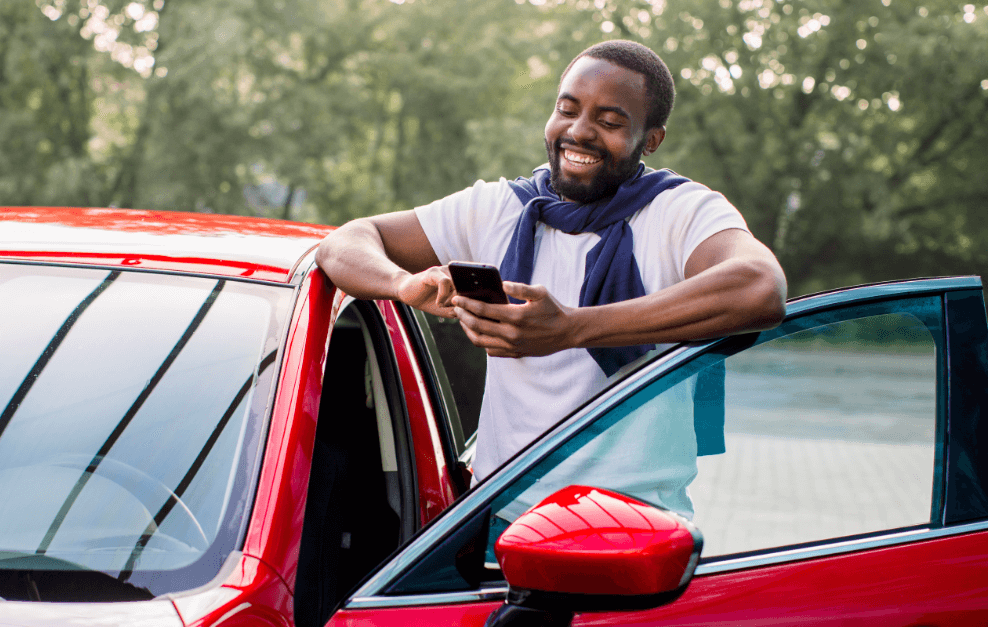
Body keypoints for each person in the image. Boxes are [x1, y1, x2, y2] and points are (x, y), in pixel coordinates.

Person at [315, 40, 787, 504]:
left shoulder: (680, 210)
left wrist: (573, 330)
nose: (579, 131)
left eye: (609, 122)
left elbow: (760, 288)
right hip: (495, 517)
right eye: (568, 109)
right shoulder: (498, 206)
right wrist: (403, 283)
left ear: (652, 140)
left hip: (635, 526)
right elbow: (344, 244)